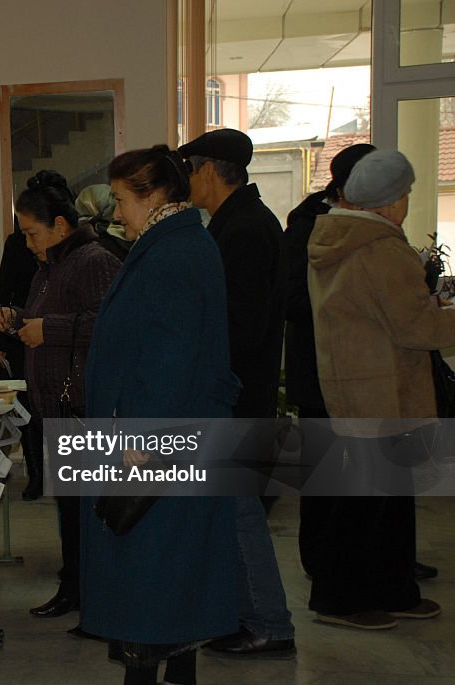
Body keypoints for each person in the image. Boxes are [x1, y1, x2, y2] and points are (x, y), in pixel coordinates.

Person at [82, 145, 239, 685]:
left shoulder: (173, 254)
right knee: (173, 574)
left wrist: (141, 445)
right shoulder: (174, 244)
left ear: (154, 198)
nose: (117, 212)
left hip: (159, 444)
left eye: (122, 200)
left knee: (151, 572)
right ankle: (175, 672)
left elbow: (168, 357)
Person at [308, 149, 447, 629]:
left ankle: (392, 591)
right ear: (391, 204)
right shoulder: (381, 248)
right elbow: (416, 327)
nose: (406, 203)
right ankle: (340, 602)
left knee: (381, 503)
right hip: (383, 391)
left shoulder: (336, 237)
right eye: (405, 195)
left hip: (357, 386)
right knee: (367, 508)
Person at [179, 128, 296, 659]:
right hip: (236, 393)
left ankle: (270, 623)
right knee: (232, 515)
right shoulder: (237, 222)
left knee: (241, 516)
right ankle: (248, 616)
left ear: (209, 170)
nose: (187, 182)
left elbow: (239, 329)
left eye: (190, 170)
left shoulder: (244, 230)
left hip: (236, 396)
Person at [0, 170, 121, 621]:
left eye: (32, 233)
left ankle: (90, 595)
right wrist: (19, 317)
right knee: (69, 508)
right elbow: (52, 315)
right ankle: (77, 588)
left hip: (82, 404)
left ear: (60, 226)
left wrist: (47, 328)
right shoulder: (50, 267)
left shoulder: (93, 260)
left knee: (85, 510)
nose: (27, 243)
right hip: (57, 404)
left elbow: (109, 325)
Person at [284, 143, 375, 580]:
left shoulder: (360, 223)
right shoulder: (308, 227)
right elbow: (294, 300)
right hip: (319, 370)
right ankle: (322, 566)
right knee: (325, 481)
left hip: (352, 372)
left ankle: (375, 560)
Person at [0, 215, 47, 500]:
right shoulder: (16, 243)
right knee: (22, 407)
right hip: (17, 333)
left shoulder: (70, 250)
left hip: (52, 333)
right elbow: (3, 289)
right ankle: (35, 474)